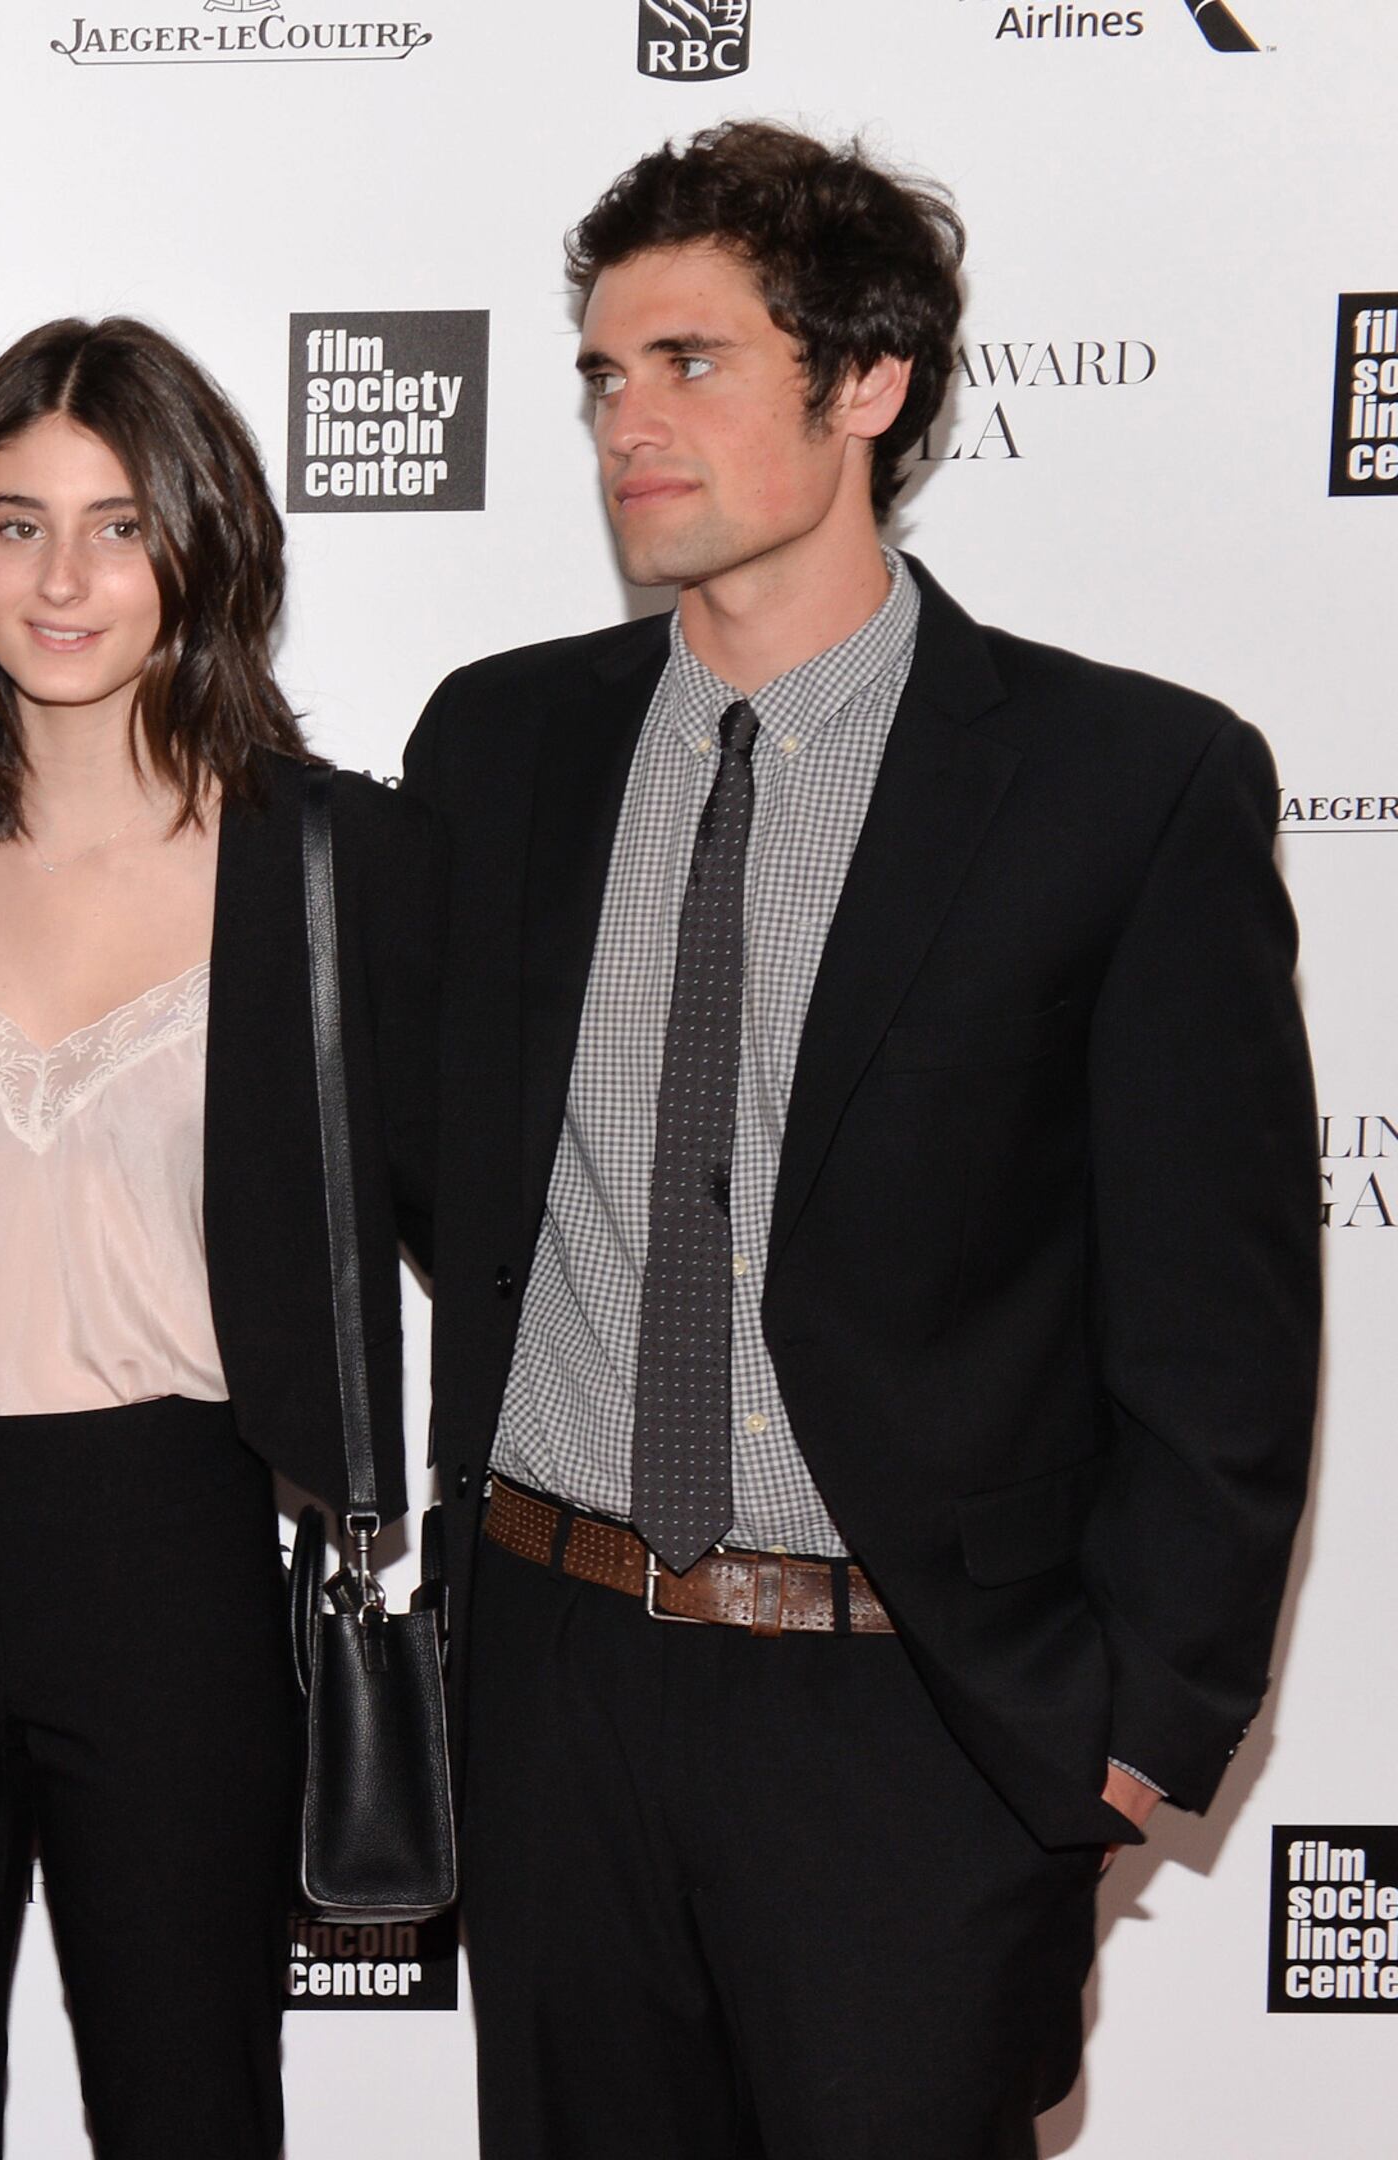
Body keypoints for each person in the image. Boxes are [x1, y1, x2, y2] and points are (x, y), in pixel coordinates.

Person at [402, 122, 1317, 2157]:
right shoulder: (499, 744)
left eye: (693, 362)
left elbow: (1218, 1326)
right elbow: (393, 1140)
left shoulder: (1123, 785)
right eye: (604, 374)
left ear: (870, 383)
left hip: (909, 1719)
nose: (629, 420)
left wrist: (1124, 1739)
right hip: (557, 1685)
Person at [0, 317, 434, 2159]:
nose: (63, 576)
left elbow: (488, 1200)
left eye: (120, 524)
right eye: (14, 522)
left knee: (190, 2105)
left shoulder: (333, 862)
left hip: (166, 1546)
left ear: (204, 544)